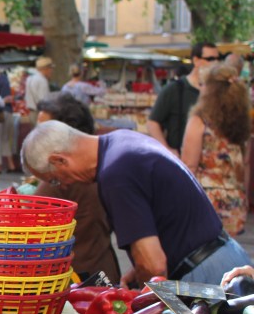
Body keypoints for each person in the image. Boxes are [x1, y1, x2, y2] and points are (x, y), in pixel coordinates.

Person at [22, 120, 251, 286]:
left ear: (59, 160)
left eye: (54, 179)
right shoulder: (123, 141)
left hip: (207, 275)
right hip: (223, 258)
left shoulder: (115, 174)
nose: (61, 185)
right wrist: (137, 268)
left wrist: (140, 297)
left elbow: (154, 266)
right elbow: (165, 221)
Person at [33, 92, 121, 284]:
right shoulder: (98, 165)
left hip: (77, 283)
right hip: (102, 271)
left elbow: (26, 230)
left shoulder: (63, 178)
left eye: (42, 131)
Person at [181, 63, 251, 235]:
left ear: (211, 90)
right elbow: (245, 163)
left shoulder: (200, 121)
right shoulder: (243, 123)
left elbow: (189, 166)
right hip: (235, 200)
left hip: (205, 201)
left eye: (203, 84)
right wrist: (245, 195)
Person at [148, 41, 221, 155]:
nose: (215, 63)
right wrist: (167, 150)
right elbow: (153, 123)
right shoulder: (175, 89)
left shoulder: (218, 91)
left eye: (218, 58)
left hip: (211, 161)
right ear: (196, 60)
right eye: (210, 59)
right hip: (182, 160)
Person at [0, 69, 18, 173]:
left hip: (1, 112)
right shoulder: (5, 81)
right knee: (5, 139)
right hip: (8, 111)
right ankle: (11, 165)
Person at [25, 56, 54, 125]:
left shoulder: (30, 78)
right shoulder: (42, 80)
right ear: (46, 69)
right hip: (39, 113)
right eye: (50, 68)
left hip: (32, 112)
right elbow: (43, 100)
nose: (51, 71)